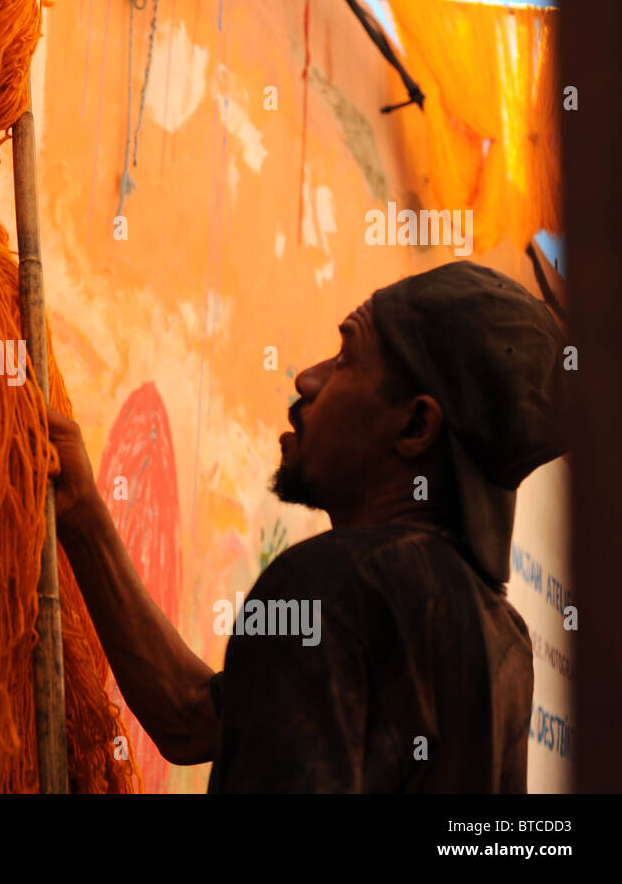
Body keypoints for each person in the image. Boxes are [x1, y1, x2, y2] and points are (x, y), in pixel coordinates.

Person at [46, 261, 567, 792]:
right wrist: (85, 517)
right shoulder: (504, 641)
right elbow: (189, 720)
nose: (307, 379)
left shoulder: (331, 587)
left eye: (345, 359)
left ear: (415, 426)